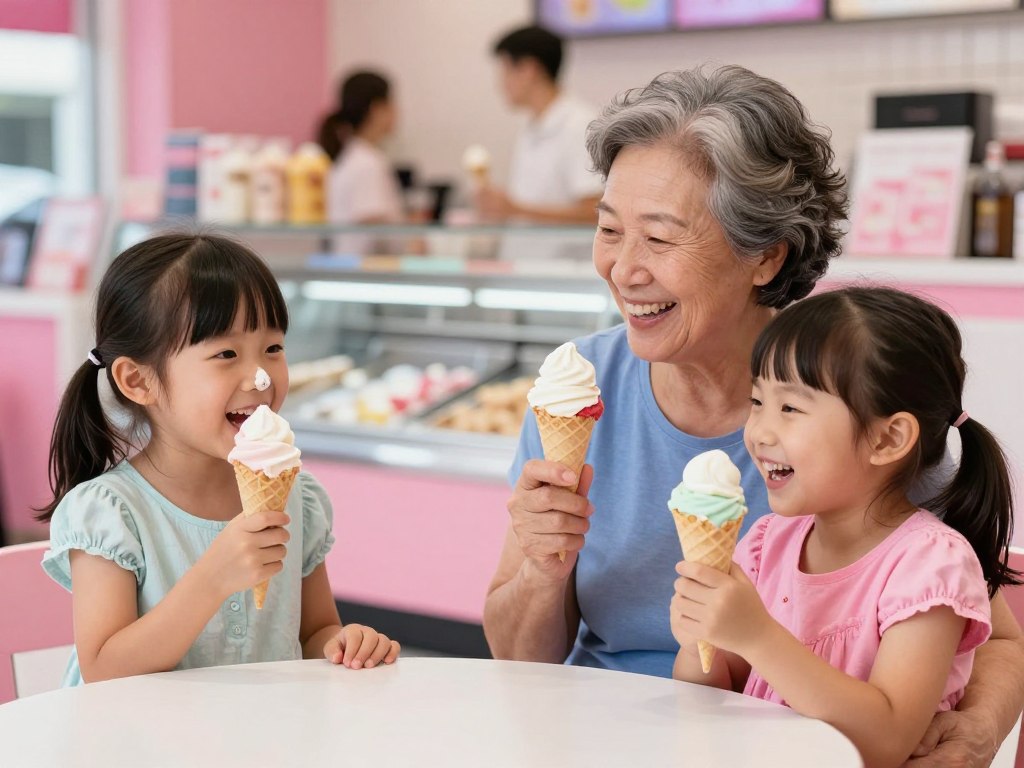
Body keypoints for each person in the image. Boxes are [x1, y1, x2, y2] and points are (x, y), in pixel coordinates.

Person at [482, 65, 1024, 767]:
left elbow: (996, 637)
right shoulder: (578, 389)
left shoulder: (854, 404)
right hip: (595, 735)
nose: (622, 268)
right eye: (610, 229)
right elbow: (520, 662)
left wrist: (979, 726)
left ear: (765, 255)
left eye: (660, 237)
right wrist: (542, 570)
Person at [671, 287, 1019, 767]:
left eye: (789, 408)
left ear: (887, 438)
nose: (759, 431)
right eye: (756, 401)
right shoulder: (765, 543)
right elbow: (708, 700)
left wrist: (757, 637)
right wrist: (699, 641)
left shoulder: (930, 565)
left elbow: (888, 738)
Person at [39, 232, 401, 685]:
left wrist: (341, 642)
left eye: (273, 348)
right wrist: (211, 578)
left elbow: (313, 631)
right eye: (226, 353)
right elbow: (104, 670)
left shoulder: (297, 498)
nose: (261, 377)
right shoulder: (110, 513)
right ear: (137, 381)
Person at [475, 25, 602, 224]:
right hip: (525, 252)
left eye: (506, 70)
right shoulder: (531, 125)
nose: (500, 83)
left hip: (564, 255)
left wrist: (514, 209)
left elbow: (595, 211)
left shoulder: (581, 126)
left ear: (529, 69)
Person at [318, 70, 403, 225]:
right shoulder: (367, 163)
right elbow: (372, 226)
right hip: (365, 251)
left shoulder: (353, 156)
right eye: (392, 103)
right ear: (376, 109)